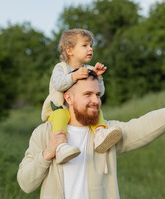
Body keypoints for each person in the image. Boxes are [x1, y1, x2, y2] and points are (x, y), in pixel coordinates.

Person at [17, 70, 165, 199]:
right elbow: (26, 183)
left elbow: (142, 126)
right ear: (69, 97)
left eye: (98, 95)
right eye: (88, 95)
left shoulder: (107, 134)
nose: (96, 101)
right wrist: (47, 153)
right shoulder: (43, 134)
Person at [41, 29, 122, 164]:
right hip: (58, 110)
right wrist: (73, 76)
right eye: (85, 46)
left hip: (79, 111)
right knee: (61, 115)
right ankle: (60, 146)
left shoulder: (89, 69)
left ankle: (100, 135)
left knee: (95, 108)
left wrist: (98, 77)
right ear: (70, 50)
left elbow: (100, 92)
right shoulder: (61, 68)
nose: (90, 49)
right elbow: (59, 84)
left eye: (91, 46)